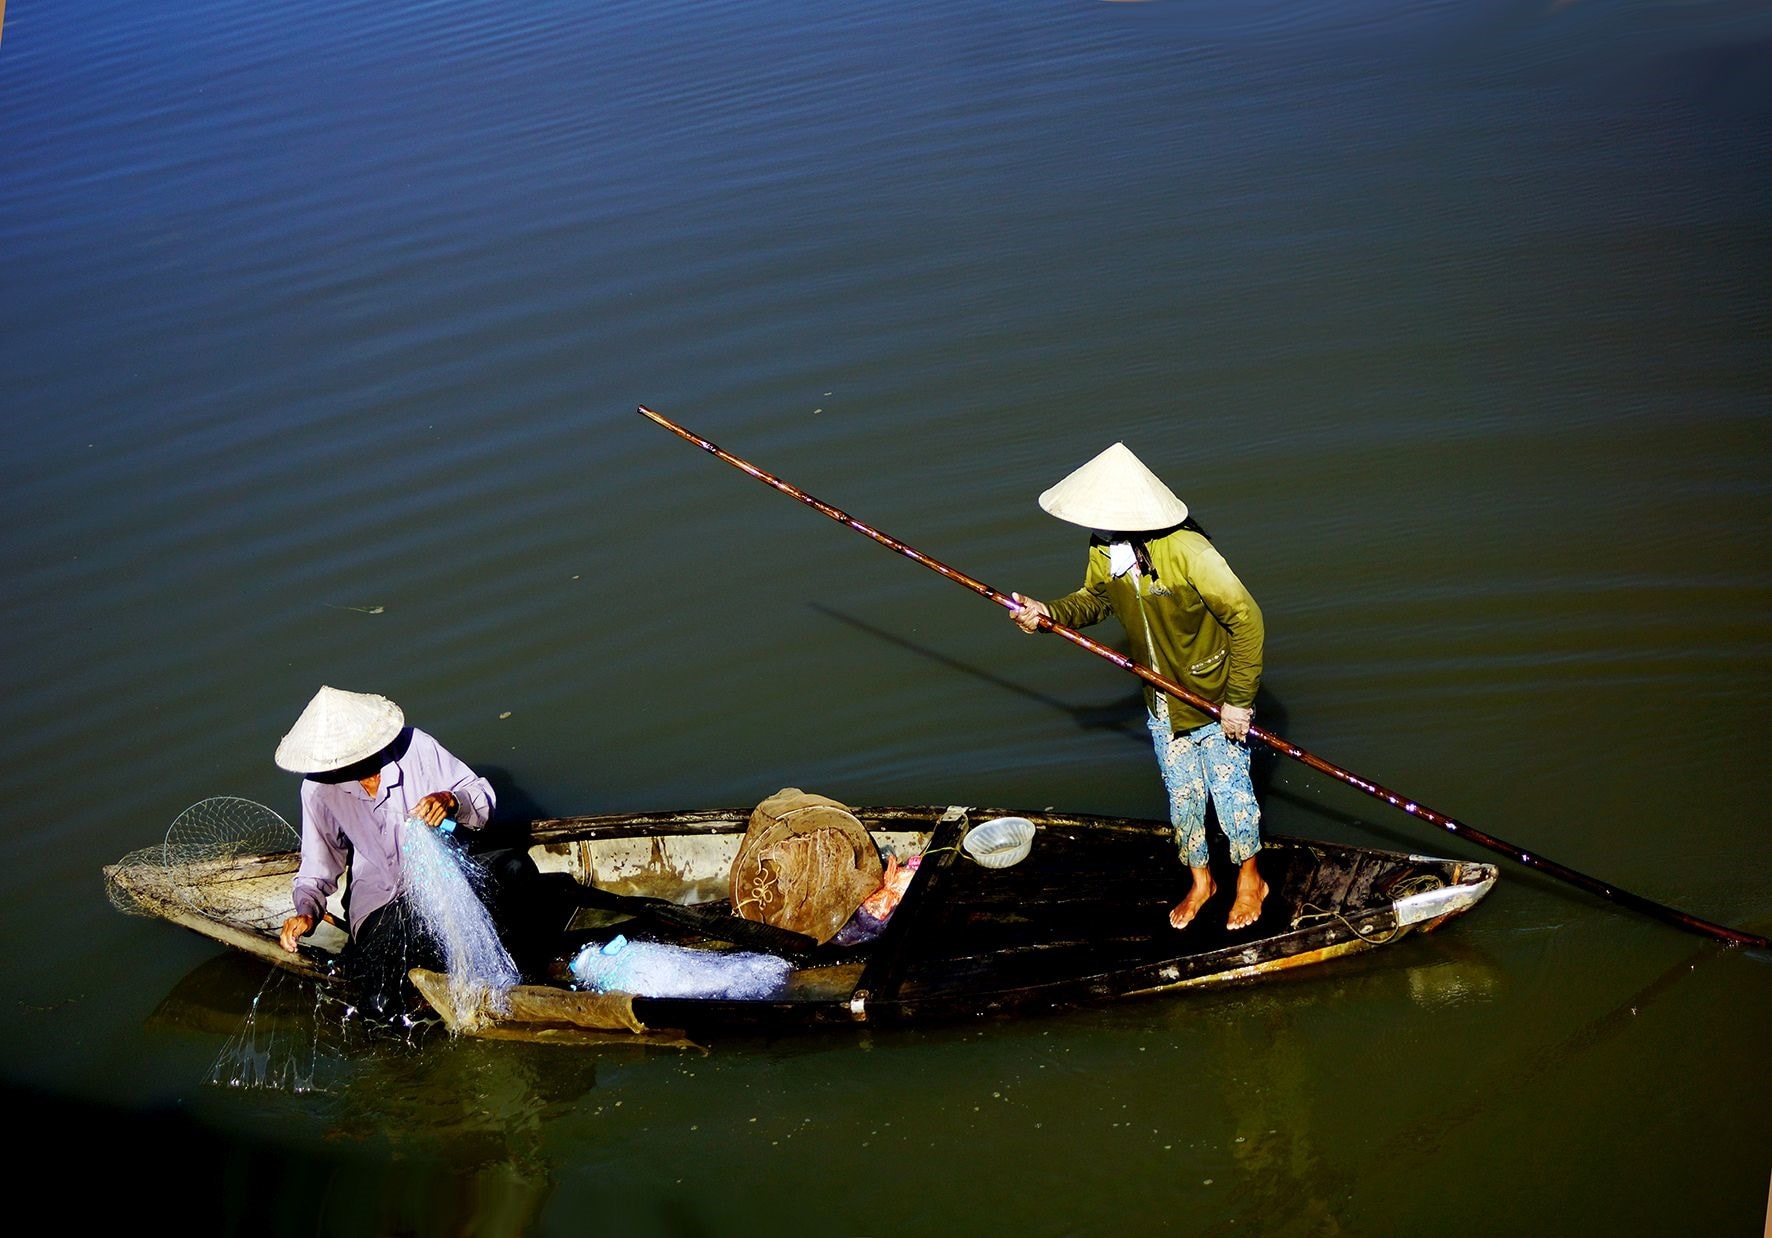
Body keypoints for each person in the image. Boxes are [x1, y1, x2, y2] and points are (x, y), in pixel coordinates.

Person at [1007, 442, 1269, 931]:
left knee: (1232, 794)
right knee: (1183, 796)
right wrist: (1049, 615)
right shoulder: (1105, 547)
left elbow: (1246, 619)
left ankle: (1251, 879)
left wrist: (1239, 700)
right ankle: (1201, 881)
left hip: (1212, 696)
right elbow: (1095, 600)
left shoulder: (1190, 551)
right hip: (1161, 701)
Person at [273, 685, 546, 1018]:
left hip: (451, 877)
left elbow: (480, 796)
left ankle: (530, 974)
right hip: (384, 903)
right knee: (378, 1005)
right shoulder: (317, 789)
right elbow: (318, 867)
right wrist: (306, 911)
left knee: (516, 868)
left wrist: (451, 801)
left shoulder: (415, 747)